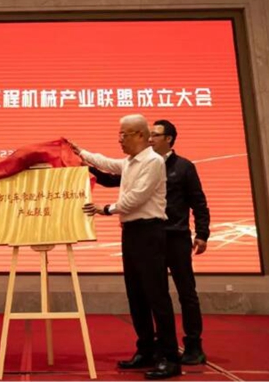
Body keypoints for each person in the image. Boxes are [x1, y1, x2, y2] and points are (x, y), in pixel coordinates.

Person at [89, 119, 210, 365]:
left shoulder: (181, 167)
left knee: (183, 292)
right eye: (150, 134)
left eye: (155, 135)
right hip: (144, 234)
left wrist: (202, 233)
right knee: (142, 292)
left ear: (168, 139)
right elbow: (112, 175)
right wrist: (83, 160)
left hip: (173, 235)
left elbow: (198, 201)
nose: (151, 139)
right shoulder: (135, 162)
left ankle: (192, 345)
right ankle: (149, 348)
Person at [69, 114, 181, 380]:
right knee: (136, 295)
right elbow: (108, 163)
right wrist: (81, 152)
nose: (120, 140)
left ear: (140, 135)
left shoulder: (153, 162)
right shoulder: (131, 162)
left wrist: (106, 209)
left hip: (150, 232)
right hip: (131, 233)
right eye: (119, 134)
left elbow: (137, 197)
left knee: (156, 296)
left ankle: (170, 358)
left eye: (124, 135)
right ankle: (146, 350)